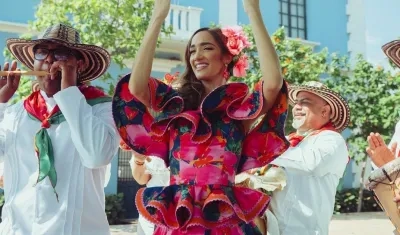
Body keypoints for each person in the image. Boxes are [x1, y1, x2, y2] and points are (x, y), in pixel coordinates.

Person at [112, 0, 290, 233]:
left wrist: (252, 10)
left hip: (224, 216)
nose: (197, 55)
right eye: (192, 50)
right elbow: (136, 87)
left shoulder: (238, 110)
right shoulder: (175, 105)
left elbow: (274, 83)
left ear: (226, 57)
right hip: (179, 217)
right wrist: (158, 16)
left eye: (206, 48)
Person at [0, 23, 119, 235]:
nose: (49, 59)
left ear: (79, 65)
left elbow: (97, 156)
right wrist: (0, 102)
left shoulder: (101, 108)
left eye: (61, 53)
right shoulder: (15, 113)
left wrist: (69, 91)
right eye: (42, 51)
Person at [267, 81, 350, 235]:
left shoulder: (332, 140)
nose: (297, 107)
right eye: (297, 102)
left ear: (325, 112)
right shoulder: (286, 141)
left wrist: (262, 151)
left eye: (305, 102)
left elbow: (311, 163)